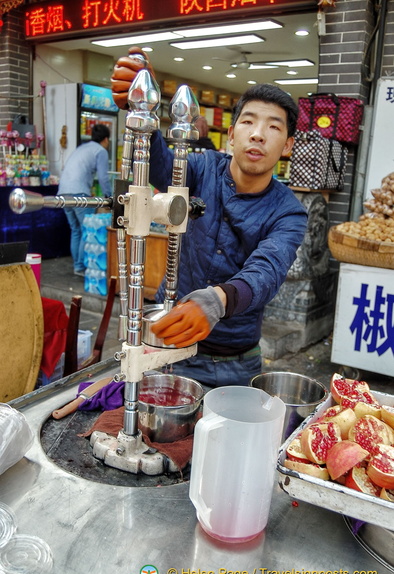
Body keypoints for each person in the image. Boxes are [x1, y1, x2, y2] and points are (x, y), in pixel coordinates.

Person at [111, 48, 308, 388]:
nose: (258, 134)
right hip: (167, 344)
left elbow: (267, 269)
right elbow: (160, 166)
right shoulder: (202, 169)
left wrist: (217, 300)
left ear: (288, 146)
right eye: (248, 122)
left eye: (272, 127)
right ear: (231, 135)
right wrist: (142, 110)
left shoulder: (288, 211)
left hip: (232, 364)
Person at [58, 124, 112, 276]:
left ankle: (78, 266)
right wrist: (110, 197)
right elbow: (103, 178)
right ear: (106, 139)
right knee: (86, 230)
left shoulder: (83, 147)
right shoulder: (100, 150)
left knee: (76, 230)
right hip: (79, 193)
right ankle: (81, 266)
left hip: (62, 192)